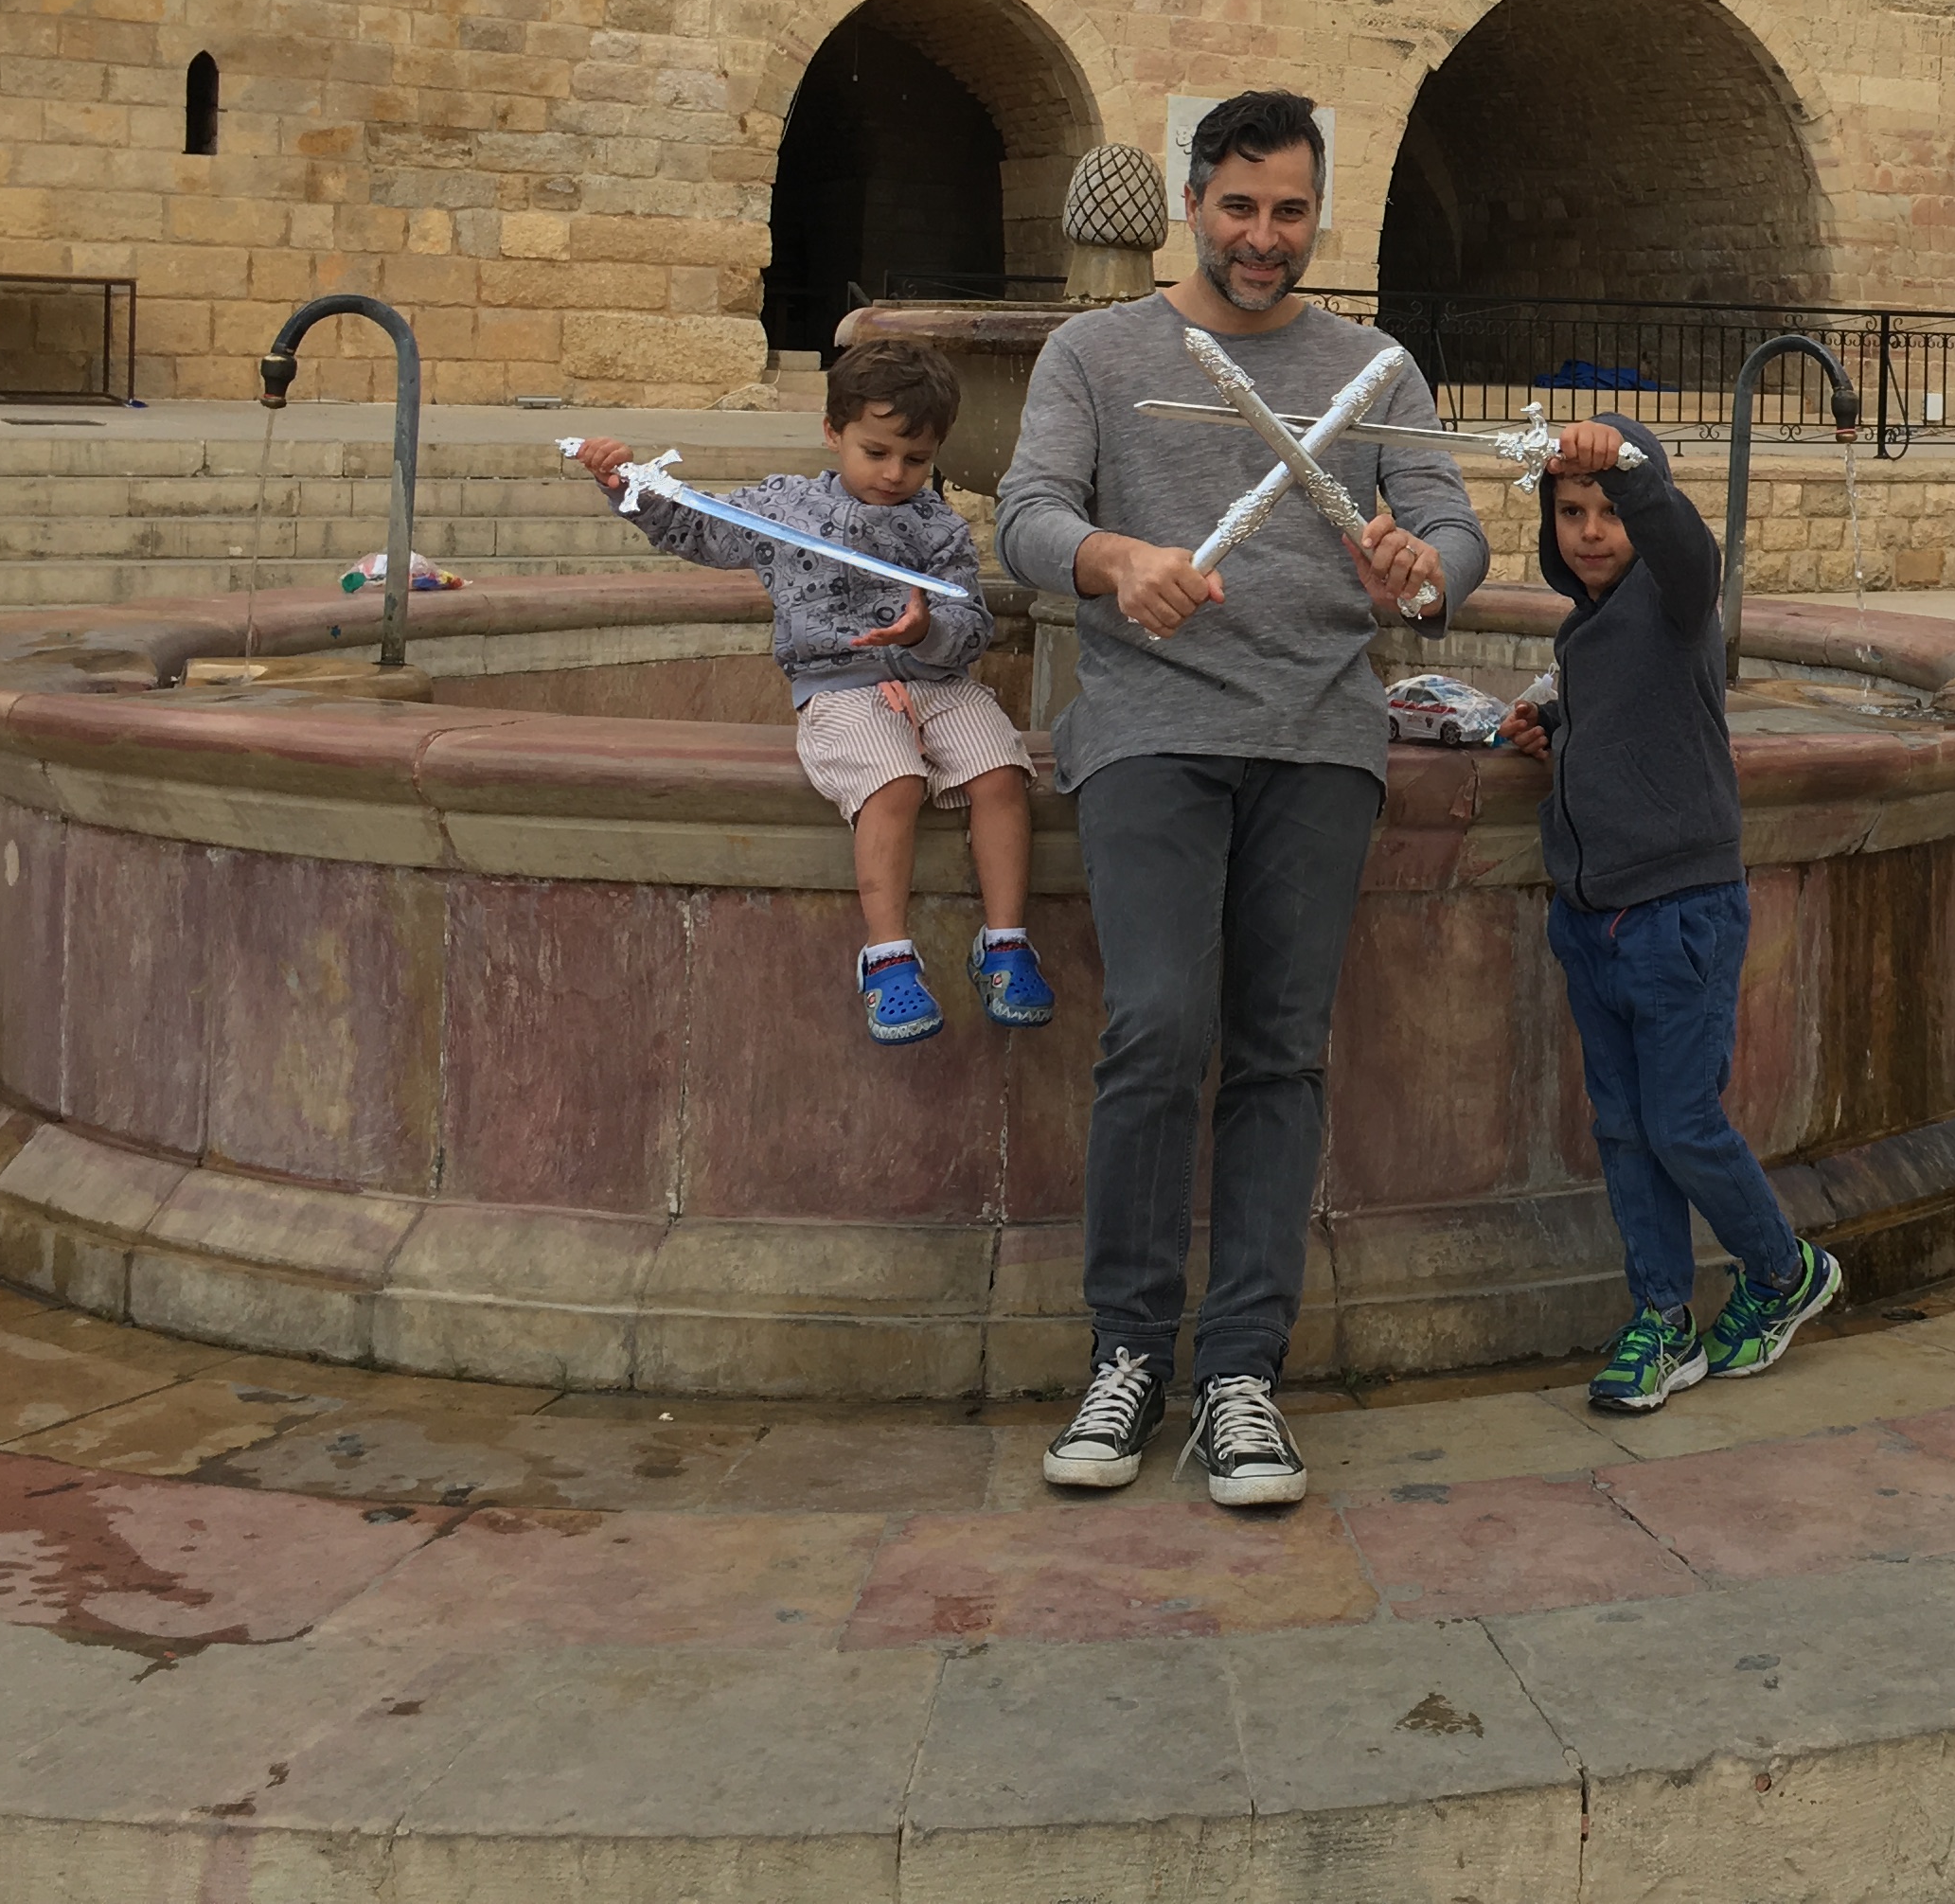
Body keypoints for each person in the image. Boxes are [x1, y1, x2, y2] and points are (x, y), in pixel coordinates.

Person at [995, 90, 1489, 1511]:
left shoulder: (1373, 368)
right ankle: (1127, 1353)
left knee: (1280, 1048)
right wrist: (1112, 561)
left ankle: (1241, 1374)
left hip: (1318, 735)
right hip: (1151, 728)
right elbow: (1025, 516)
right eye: (1239, 208)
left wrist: (1424, 572)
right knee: (1157, 1027)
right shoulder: (1098, 353)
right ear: (1191, 204)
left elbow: (1453, 530)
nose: (1264, 237)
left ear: (1316, 214)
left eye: (1289, 212)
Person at [1500, 416, 1843, 1411]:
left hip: (1677, 915)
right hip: (1594, 918)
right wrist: (1551, 724)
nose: (1590, 531)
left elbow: (1690, 549)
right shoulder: (1588, 626)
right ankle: (1661, 1317)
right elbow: (1631, 715)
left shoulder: (1675, 594)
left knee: (1682, 1123)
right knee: (1623, 1128)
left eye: (1609, 512)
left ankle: (1783, 1270)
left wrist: (1627, 468)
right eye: (1571, 512)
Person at [574, 338, 1044, 1045]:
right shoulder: (784, 507)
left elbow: (971, 625)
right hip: (841, 687)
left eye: (916, 460)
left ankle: (1005, 944)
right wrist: (624, 484)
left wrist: (926, 632)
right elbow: (697, 527)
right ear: (833, 431)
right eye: (876, 452)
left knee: (1002, 771)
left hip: (938, 682)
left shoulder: (940, 527)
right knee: (893, 782)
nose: (894, 474)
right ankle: (888, 958)